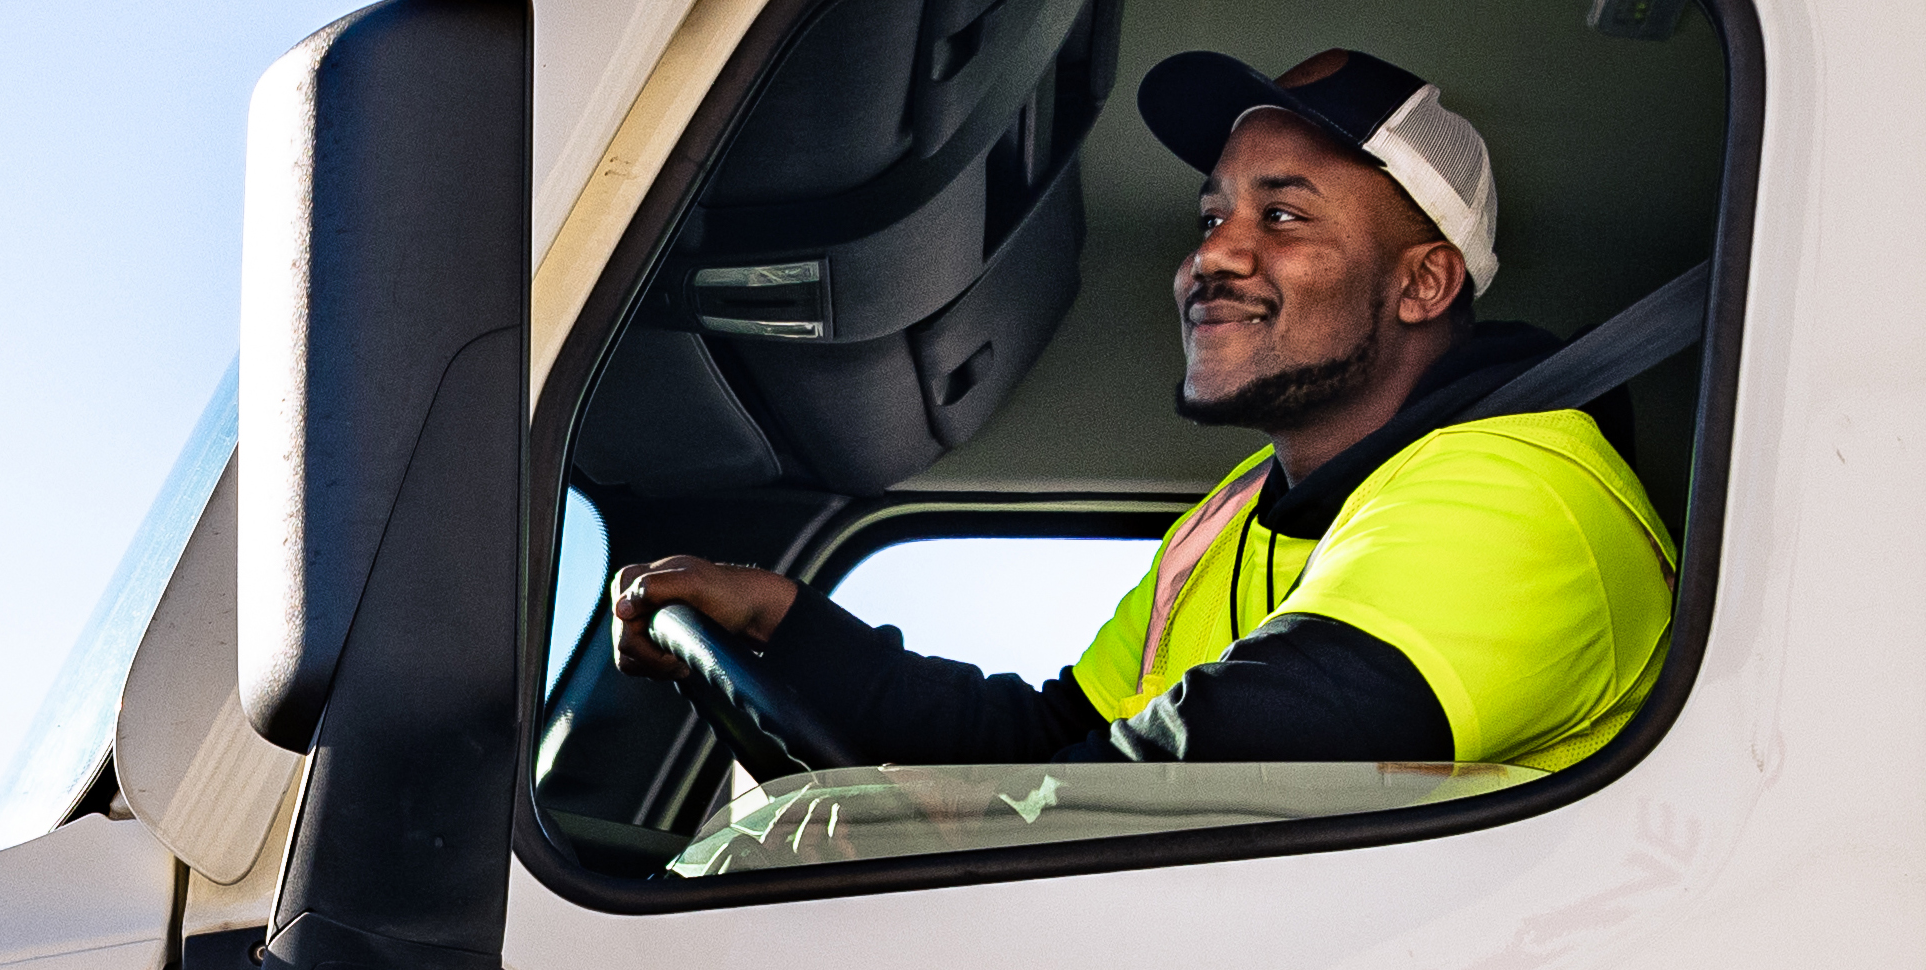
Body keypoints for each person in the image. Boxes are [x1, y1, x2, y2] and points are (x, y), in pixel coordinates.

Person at [609, 47, 1676, 782]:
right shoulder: (1239, 512)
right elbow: (1050, 741)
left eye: (1284, 214)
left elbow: (1186, 782)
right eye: (1212, 213)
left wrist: (893, 838)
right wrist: (790, 625)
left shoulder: (1528, 492)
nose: (1212, 250)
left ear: (1424, 284)